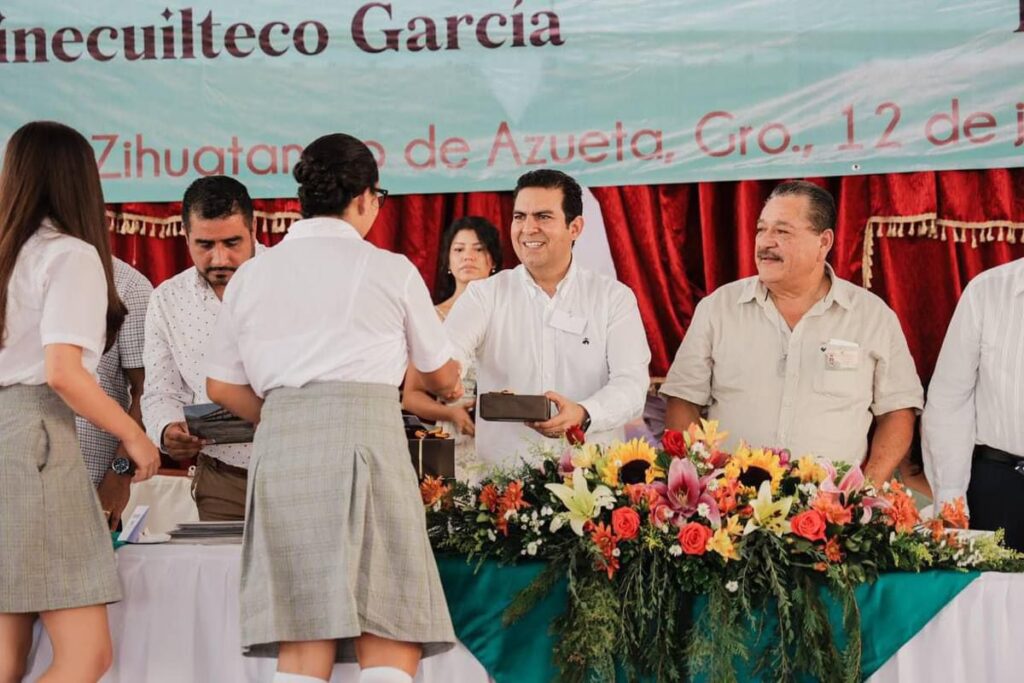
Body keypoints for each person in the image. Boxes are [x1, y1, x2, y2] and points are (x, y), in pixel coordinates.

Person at [206, 133, 462, 683]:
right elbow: (441, 374)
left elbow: (220, 386)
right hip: (367, 442)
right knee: (389, 626)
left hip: (282, 452)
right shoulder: (389, 269)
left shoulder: (253, 275)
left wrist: (284, 415)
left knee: (303, 638)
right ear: (367, 197)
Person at [0, 121, 159, 683]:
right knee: (85, 655)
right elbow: (63, 372)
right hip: (36, 437)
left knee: (6, 657)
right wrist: (135, 436)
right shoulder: (68, 255)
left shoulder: (7, 256)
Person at [661, 180, 923, 483]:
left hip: (831, 508)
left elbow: (896, 410)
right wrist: (700, 479)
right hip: (731, 505)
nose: (765, 242)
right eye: (761, 229)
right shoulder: (719, 308)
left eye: (782, 231)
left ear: (823, 242)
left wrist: (868, 486)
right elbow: (683, 400)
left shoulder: (870, 316)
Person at [444, 169, 651, 469]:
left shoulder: (612, 298)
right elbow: (450, 351)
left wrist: (583, 413)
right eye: (519, 216)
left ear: (576, 227)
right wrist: (447, 376)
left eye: (543, 216)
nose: (528, 228)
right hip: (504, 492)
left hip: (591, 486)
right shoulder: (484, 295)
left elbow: (632, 385)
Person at [143, 175, 260, 521]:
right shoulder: (167, 299)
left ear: (254, 231)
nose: (219, 258)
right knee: (224, 575)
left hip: (301, 470)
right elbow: (160, 391)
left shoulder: (292, 280)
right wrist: (167, 430)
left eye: (232, 242)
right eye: (205, 245)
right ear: (186, 237)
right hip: (222, 478)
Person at [922, 257, 1024, 550]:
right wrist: (951, 497)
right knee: (992, 594)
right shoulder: (987, 291)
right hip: (1000, 486)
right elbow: (949, 401)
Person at [402, 216, 502, 479]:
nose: (468, 256)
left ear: (492, 261)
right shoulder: (432, 318)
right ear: (447, 261)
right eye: (459, 249)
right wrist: (452, 413)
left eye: (478, 249)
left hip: (504, 435)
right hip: (452, 442)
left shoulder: (508, 316)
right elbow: (411, 396)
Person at [77, 256, 153, 530]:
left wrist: (120, 474)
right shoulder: (13, 269)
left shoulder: (129, 286)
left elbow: (148, 389)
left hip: (91, 487)